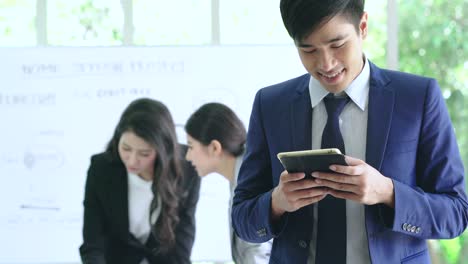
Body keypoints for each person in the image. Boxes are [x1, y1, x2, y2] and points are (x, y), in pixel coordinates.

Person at [231, 1, 468, 264]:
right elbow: (242, 219)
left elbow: (456, 214)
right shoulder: (271, 105)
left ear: (363, 27)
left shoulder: (417, 98)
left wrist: (388, 192)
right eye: (308, 49)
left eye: (337, 45)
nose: (326, 64)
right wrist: (276, 202)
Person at [79, 98, 201, 264]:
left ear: (162, 150)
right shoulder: (101, 169)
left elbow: (182, 240)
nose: (132, 161)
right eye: (126, 149)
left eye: (144, 153)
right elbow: (93, 243)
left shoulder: (187, 167)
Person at [184, 102, 272, 264]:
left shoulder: (250, 182)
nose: (188, 156)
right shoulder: (242, 175)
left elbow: (257, 253)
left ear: (214, 148)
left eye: (191, 146)